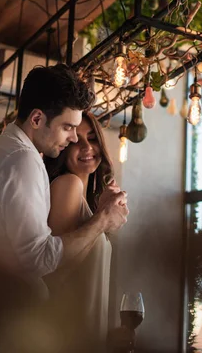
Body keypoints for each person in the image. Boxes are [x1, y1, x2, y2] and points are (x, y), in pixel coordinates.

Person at [0, 64, 129, 300]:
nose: (74, 138)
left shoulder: (8, 152)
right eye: (68, 127)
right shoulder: (21, 160)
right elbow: (39, 259)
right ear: (36, 118)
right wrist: (103, 219)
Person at [43, 112, 117, 351]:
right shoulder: (68, 185)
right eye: (76, 140)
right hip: (65, 334)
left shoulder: (85, 199)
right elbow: (55, 269)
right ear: (64, 147)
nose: (87, 147)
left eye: (93, 139)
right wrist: (103, 219)